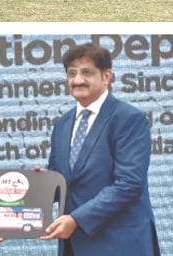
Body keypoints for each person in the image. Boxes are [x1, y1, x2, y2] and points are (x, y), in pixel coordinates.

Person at [41, 43, 160, 256]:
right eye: (72, 73)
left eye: (87, 72)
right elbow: (62, 184)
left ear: (106, 76)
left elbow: (129, 183)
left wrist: (77, 219)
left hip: (120, 245)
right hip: (74, 247)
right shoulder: (62, 124)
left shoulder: (128, 119)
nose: (77, 80)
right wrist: (39, 187)